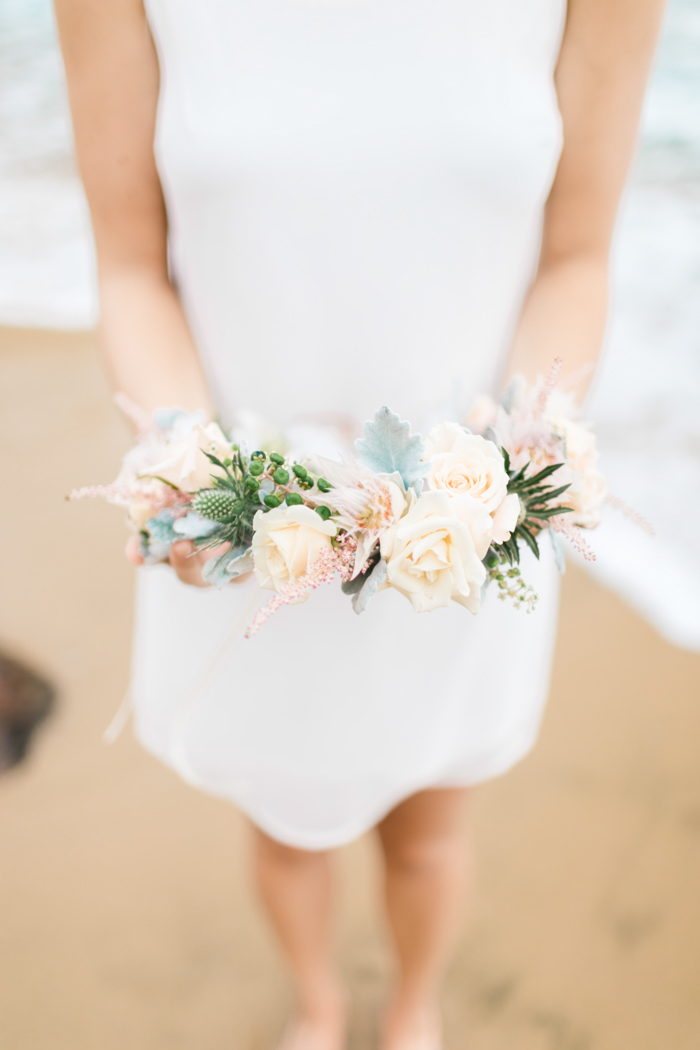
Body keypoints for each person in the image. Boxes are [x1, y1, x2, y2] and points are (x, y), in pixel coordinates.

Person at [55, 1, 664, 1047]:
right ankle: (319, 1008)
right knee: (285, 830)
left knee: (431, 833)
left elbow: (575, 257)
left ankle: (413, 1010)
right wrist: (194, 470)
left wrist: (515, 466)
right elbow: (128, 265)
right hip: (239, 531)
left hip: (467, 528)